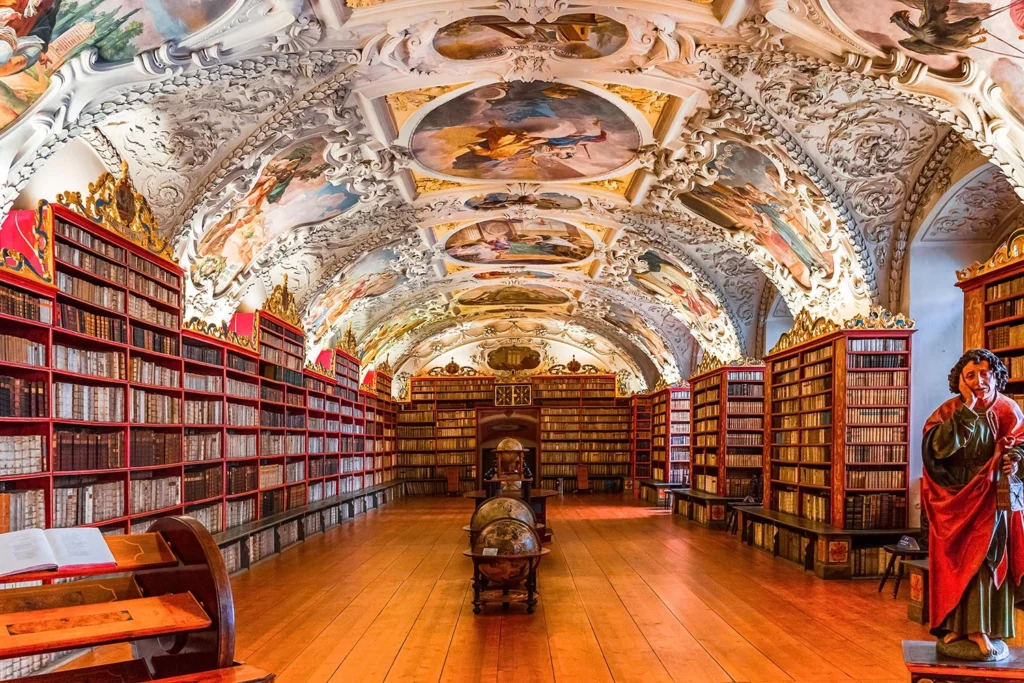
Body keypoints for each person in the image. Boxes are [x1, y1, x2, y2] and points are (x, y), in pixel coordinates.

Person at [922, 349, 1024, 660]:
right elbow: (938, 449)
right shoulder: (950, 410)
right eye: (970, 376)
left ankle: (982, 629)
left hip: (993, 496)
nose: (979, 381)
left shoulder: (1009, 409)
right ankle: (957, 625)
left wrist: (1014, 462)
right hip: (956, 495)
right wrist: (968, 409)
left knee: (984, 560)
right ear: (960, 381)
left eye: (984, 374)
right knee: (956, 560)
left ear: (995, 375)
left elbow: (1020, 446)